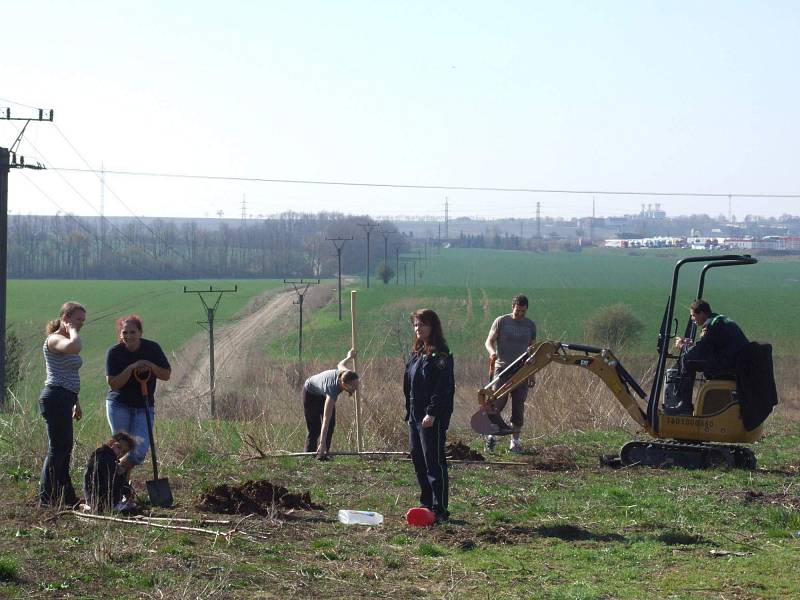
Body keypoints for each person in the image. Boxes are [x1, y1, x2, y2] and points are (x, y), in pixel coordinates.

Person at [404, 309, 455, 524]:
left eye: (422, 325)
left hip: (431, 417)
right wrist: (409, 411)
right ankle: (426, 504)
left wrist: (432, 413)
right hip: (415, 416)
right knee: (418, 458)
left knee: (434, 461)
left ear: (432, 326)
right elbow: (410, 384)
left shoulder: (440, 354)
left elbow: (443, 387)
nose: (418, 329)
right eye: (416, 325)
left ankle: (440, 508)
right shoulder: (418, 353)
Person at [105, 315, 171, 477]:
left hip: (144, 405)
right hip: (119, 405)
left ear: (140, 333)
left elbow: (166, 374)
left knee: (139, 450)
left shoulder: (152, 349)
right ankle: (122, 489)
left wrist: (149, 365)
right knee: (120, 448)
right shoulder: (114, 353)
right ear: (120, 335)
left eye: (132, 332)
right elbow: (113, 383)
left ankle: (115, 476)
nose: (128, 336)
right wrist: (132, 368)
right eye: (124, 333)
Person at [38, 301, 86, 507]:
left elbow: (69, 374)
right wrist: (72, 331)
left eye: (83, 320)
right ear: (65, 318)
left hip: (65, 397)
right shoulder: (55, 339)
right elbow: (75, 348)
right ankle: (46, 499)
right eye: (78, 319)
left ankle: (66, 496)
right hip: (55, 397)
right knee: (58, 449)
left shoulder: (64, 338)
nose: (81, 323)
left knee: (64, 449)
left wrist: (76, 402)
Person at [668, 299, 749, 415]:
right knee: (692, 358)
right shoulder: (718, 320)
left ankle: (685, 405)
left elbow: (702, 353)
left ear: (702, 313)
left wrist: (682, 346)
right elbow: (709, 347)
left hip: (729, 366)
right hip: (735, 362)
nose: (692, 319)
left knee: (687, 360)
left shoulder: (711, 325)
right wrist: (691, 346)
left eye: (693, 315)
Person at [483, 294, 537, 453]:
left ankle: (515, 442)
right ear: (512, 307)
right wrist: (492, 352)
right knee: (497, 404)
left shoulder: (530, 326)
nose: (520, 314)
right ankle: (492, 437)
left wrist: (532, 374)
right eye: (517, 311)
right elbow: (489, 341)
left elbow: (532, 352)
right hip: (502, 370)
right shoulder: (501, 321)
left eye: (523, 312)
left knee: (518, 406)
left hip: (521, 371)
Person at [302, 349, 359, 460]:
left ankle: (322, 456)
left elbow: (340, 364)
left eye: (357, 384)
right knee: (315, 428)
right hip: (310, 394)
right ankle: (308, 457)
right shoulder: (332, 391)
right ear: (343, 384)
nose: (356, 388)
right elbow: (325, 420)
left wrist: (349, 357)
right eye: (353, 386)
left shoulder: (345, 373)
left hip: (322, 393)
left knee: (331, 426)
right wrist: (322, 442)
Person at [83, 432, 136, 512]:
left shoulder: (103, 455)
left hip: (92, 500)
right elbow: (110, 483)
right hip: (103, 503)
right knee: (131, 508)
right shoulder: (106, 459)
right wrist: (126, 491)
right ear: (111, 443)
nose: (120, 453)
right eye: (119, 447)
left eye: (124, 452)